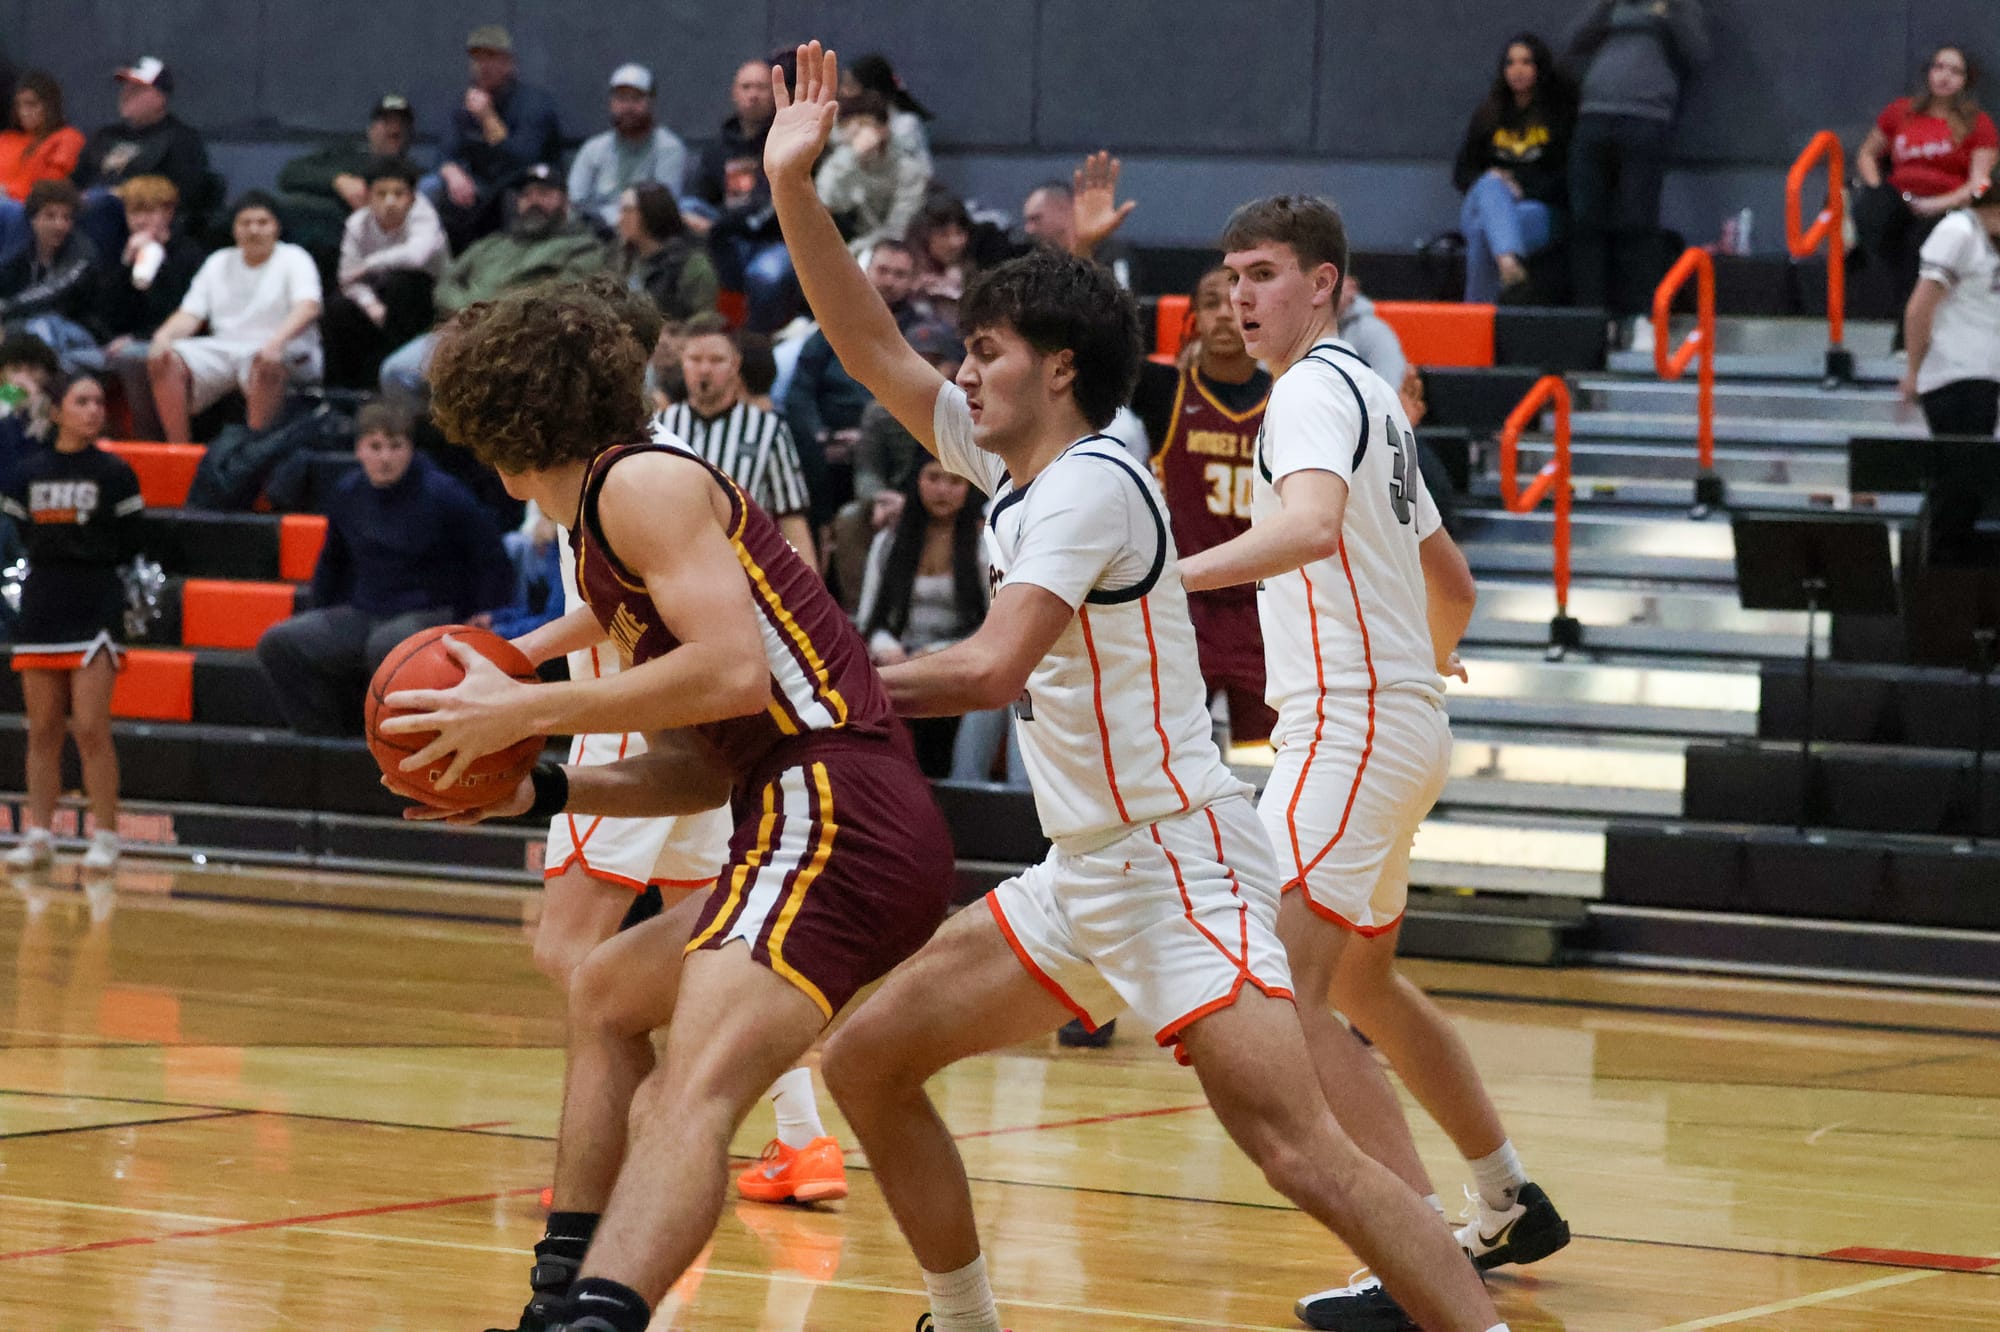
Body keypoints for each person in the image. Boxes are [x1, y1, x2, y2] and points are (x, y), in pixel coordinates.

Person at [768, 44, 1507, 1332]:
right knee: (870, 1060)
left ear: (1054, 370)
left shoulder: (1093, 487)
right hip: (1084, 871)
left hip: (1175, 868)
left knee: (1301, 1153)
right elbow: (869, 344)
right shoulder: (1019, 465)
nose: (958, 374)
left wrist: (814, 692)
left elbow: (992, 666)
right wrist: (794, 188)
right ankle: (962, 1322)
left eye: (983, 352)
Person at [378, 274, 953, 1332]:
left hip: (839, 807)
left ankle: (600, 1312)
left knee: (691, 1089)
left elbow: (732, 673)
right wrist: (539, 789)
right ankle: (559, 1294)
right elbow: (697, 770)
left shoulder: (638, 485)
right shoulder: (606, 535)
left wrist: (529, 708)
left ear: (497, 431)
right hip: (799, 808)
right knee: (604, 993)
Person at [1173, 194, 1567, 1327]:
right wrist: (1419, 663)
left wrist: (1159, 578)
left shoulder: (1306, 391)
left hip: (1349, 728)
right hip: (1395, 725)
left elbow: (1304, 529)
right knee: (1360, 985)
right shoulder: (1374, 399)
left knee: (1280, 999)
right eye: (1229, 277)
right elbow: (1455, 584)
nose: (1239, 297)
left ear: (1324, 284)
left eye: (1262, 274)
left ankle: (1411, 1261)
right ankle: (1504, 1198)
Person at [255, 400, 512, 736]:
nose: (385, 458)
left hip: (433, 609)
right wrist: (323, 611)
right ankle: (325, 741)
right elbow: (333, 561)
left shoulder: (443, 494)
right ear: (359, 449)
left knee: (386, 644)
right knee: (279, 643)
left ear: (411, 449)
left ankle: (398, 743)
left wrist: (485, 611)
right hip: (367, 610)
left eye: (395, 446)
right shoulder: (348, 492)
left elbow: (490, 554)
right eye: (375, 447)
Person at [1130, 267, 1276, 750]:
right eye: (1212, 302)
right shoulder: (1166, 392)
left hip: (1265, 609)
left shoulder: (1288, 399)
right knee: (1171, 751)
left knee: (1274, 762)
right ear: (1193, 318)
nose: (1224, 314)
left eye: (1237, 302)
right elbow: (1090, 347)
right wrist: (1083, 251)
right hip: (1184, 604)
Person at [1, 372, 141, 872]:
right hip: (42, 603)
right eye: (82, 401)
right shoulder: (26, 473)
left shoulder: (116, 473)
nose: (94, 410)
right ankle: (39, 835)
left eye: (99, 402)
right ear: (57, 411)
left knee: (90, 727)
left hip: (95, 601)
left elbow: (131, 540)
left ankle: (106, 836)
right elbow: (20, 533)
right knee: (41, 728)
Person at [379, 163, 607, 398]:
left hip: (523, 339)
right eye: (527, 195)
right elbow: (446, 283)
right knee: (395, 373)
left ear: (565, 202)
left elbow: (563, 295)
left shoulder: (582, 247)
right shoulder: (492, 244)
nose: (533, 201)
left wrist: (488, 314)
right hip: (461, 328)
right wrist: (467, 310)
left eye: (544, 194)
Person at [1563, 0, 1710, 324]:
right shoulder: (1614, 8)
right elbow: (1574, 41)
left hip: (1646, 118)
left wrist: (1667, 14)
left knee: (1637, 220)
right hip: (1594, 116)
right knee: (1585, 219)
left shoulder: (1680, 6)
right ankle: (1590, 317)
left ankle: (1642, 315)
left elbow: (1698, 53)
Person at [854, 457, 994, 776]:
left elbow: (993, 624)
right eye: (933, 477)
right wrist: (888, 649)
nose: (942, 490)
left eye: (954, 481)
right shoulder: (889, 540)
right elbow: (869, 619)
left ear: (970, 487)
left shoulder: (984, 544)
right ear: (916, 480)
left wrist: (937, 653)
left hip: (958, 659)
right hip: (898, 657)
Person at [146, 191, 322, 441]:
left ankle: (254, 451)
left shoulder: (294, 257)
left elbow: (308, 306)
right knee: (164, 358)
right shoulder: (218, 261)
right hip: (225, 347)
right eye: (245, 223)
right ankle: (179, 449)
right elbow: (190, 314)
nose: (253, 230)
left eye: (262, 222)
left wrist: (276, 343)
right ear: (234, 229)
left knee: (266, 361)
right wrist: (163, 337)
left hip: (282, 346)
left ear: (276, 227)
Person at [1857, 45, 1999, 349]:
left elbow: (1980, 183)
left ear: (1966, 81)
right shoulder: (1901, 111)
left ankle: (1908, 337)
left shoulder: (1978, 124)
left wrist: (1938, 203)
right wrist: (1878, 187)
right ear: (1929, 73)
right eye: (1939, 67)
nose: (1945, 76)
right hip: (1901, 197)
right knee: (1873, 208)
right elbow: (1867, 154)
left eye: (1955, 71)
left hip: (1948, 204)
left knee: (1922, 247)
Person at [785, 239, 925, 525]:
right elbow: (800, 391)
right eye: (883, 270)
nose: (889, 281)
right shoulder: (833, 325)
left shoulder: (925, 335)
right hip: (828, 445)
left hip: (891, 449)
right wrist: (820, 434)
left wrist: (867, 437)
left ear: (913, 281)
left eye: (899, 275)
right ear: (866, 271)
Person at [656, 313, 815, 564]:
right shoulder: (661, 426)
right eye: (695, 359)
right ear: (682, 362)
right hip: (674, 561)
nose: (704, 369)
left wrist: (808, 581)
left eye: (716, 360)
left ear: (735, 364)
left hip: (746, 565)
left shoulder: (767, 428)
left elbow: (792, 518)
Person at [1453, 34, 1576, 303]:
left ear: (1539, 67)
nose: (1517, 70)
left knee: (1484, 230)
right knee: (1490, 184)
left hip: (1538, 208)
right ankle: (1509, 263)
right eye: (1510, 63)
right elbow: (1462, 173)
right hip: (1486, 201)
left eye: (1526, 62)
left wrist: (1521, 188)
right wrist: (1498, 183)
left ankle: (1475, 316)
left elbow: (1568, 175)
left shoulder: (1559, 114)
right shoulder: (1489, 113)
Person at [430, 25, 562, 251]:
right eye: (477, 59)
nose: (483, 66)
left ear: (509, 63)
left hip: (526, 184)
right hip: (481, 184)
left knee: (511, 198)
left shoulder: (534, 104)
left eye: (491, 58)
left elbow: (523, 160)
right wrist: (451, 172)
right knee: (431, 186)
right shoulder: (464, 103)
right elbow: (445, 151)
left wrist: (488, 118)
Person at [92, 175, 202, 440]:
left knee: (132, 356)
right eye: (134, 212)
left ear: (168, 213)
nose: (140, 221)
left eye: (149, 212)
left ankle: (150, 440)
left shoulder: (189, 254)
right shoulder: (120, 249)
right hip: (117, 341)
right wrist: (126, 264)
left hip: (171, 343)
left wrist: (157, 263)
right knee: (56, 357)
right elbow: (108, 314)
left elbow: (183, 313)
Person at [324, 156, 449, 389]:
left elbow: (415, 258)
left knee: (401, 285)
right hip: (376, 295)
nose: (390, 202)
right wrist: (370, 304)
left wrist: (369, 264)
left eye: (398, 194)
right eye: (381, 194)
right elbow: (347, 278)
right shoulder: (357, 224)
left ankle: (392, 386)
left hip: (426, 297)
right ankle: (343, 394)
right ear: (368, 196)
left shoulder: (424, 216)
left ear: (412, 197)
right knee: (337, 306)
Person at [69, 58, 211, 261]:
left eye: (136, 89)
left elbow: (184, 195)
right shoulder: (106, 135)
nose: (125, 94)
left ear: (160, 97)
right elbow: (75, 181)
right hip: (87, 209)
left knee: (102, 204)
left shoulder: (181, 139)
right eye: (125, 87)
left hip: (134, 220)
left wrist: (124, 195)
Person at [1902, 167, 2000, 438]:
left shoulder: (1991, 238)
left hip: (1987, 371)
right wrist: (1914, 371)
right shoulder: (1959, 232)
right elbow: (1920, 308)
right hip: (1953, 375)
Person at [274, 93, 417, 265]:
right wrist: (337, 181)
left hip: (370, 251)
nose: (394, 128)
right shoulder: (344, 156)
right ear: (371, 129)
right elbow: (290, 174)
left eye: (401, 123)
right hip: (315, 243)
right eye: (386, 122)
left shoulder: (413, 174)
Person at [0, 179, 104, 372]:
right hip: (29, 327)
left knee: (38, 331)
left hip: (80, 333)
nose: (60, 225)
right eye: (50, 216)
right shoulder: (22, 253)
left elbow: (53, 291)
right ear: (33, 219)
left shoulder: (82, 253)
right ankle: (14, 390)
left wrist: (5, 309)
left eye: (66, 217)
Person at [569, 65, 688, 231]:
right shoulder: (593, 149)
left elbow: (663, 209)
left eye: (636, 99)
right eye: (621, 99)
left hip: (649, 234)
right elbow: (576, 200)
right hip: (596, 232)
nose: (628, 107)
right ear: (611, 103)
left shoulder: (669, 148)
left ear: (651, 102)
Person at [814, 91, 930, 254]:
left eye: (863, 124)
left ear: (884, 129)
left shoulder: (908, 170)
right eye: (848, 125)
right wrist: (851, 156)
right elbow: (826, 201)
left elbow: (897, 229)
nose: (855, 132)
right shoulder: (842, 160)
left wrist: (853, 250)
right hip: (847, 245)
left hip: (895, 250)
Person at [0, 70, 85, 267]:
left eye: (31, 104)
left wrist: (8, 192)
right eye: (19, 105)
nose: (24, 112)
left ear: (49, 105)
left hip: (25, 210)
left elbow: (50, 189)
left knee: (11, 210)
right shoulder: (6, 139)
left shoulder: (67, 138)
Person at [615, 183, 717, 322]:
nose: (619, 220)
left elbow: (704, 320)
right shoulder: (626, 258)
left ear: (650, 212)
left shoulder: (690, 264)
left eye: (628, 211)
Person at [839, 52, 934, 169]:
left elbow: (923, 171)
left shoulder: (905, 125)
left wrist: (884, 144)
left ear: (872, 91)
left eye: (850, 86)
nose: (843, 92)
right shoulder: (839, 123)